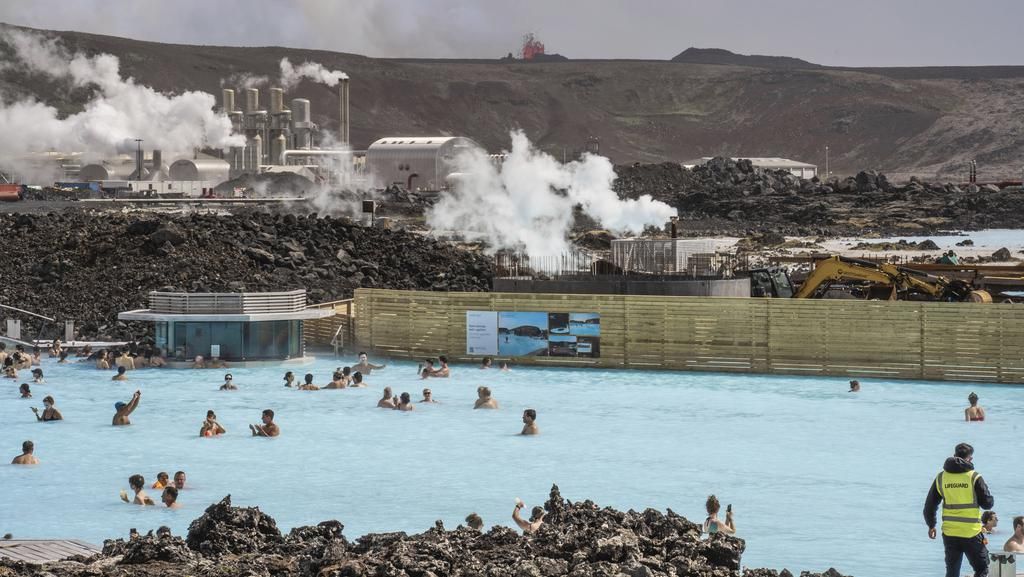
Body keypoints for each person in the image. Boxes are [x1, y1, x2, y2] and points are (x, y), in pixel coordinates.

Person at [924, 442, 994, 577]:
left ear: (954, 455)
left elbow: (930, 505)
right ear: (970, 458)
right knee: (982, 569)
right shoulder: (974, 477)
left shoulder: (941, 477)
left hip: (950, 532)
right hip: (971, 533)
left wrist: (931, 525)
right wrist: (990, 498)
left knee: (952, 571)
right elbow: (987, 504)